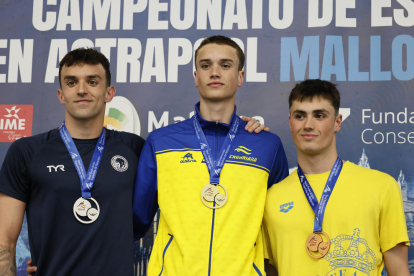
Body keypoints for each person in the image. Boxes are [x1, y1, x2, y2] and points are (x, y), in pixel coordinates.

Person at [133, 35, 289, 275]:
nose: (215, 72)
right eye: (206, 65)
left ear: (240, 77)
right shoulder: (161, 141)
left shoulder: (267, 145)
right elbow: (136, 222)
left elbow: (279, 227)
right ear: (196, 77)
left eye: (225, 65)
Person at [0, 48, 146, 276]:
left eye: (92, 81)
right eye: (71, 82)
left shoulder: (136, 149)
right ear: (61, 94)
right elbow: (4, 242)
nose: (81, 90)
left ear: (109, 93)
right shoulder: (27, 151)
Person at [263, 79, 410, 276]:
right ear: (290, 122)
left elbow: (399, 271)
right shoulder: (270, 198)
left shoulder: (382, 187)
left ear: (337, 122)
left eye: (319, 115)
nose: (308, 124)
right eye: (300, 116)